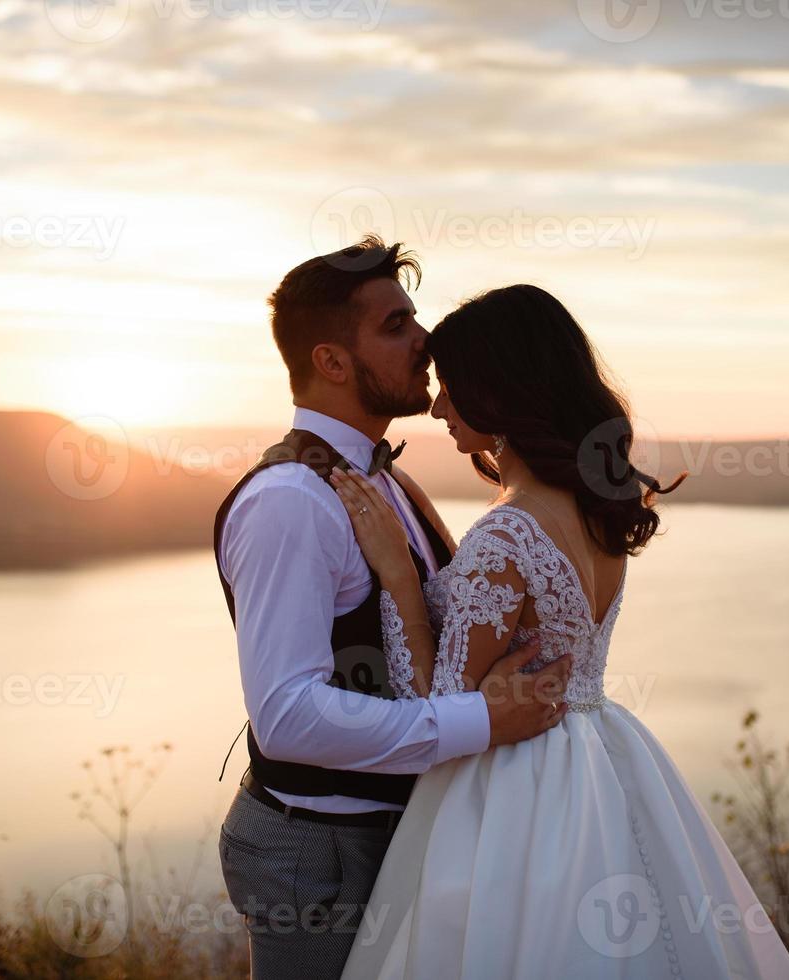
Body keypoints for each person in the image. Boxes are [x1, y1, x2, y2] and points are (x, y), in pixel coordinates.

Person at [329, 283, 789, 978]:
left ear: (500, 393)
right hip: (605, 754)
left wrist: (400, 579)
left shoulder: (507, 534)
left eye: (453, 388)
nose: (437, 405)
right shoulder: (599, 513)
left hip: (511, 789)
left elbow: (436, 711)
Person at [214, 238, 573, 980]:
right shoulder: (291, 501)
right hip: (320, 854)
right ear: (332, 363)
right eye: (396, 326)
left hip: (391, 836)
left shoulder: (387, 483)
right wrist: (483, 719)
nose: (426, 340)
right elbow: (285, 716)